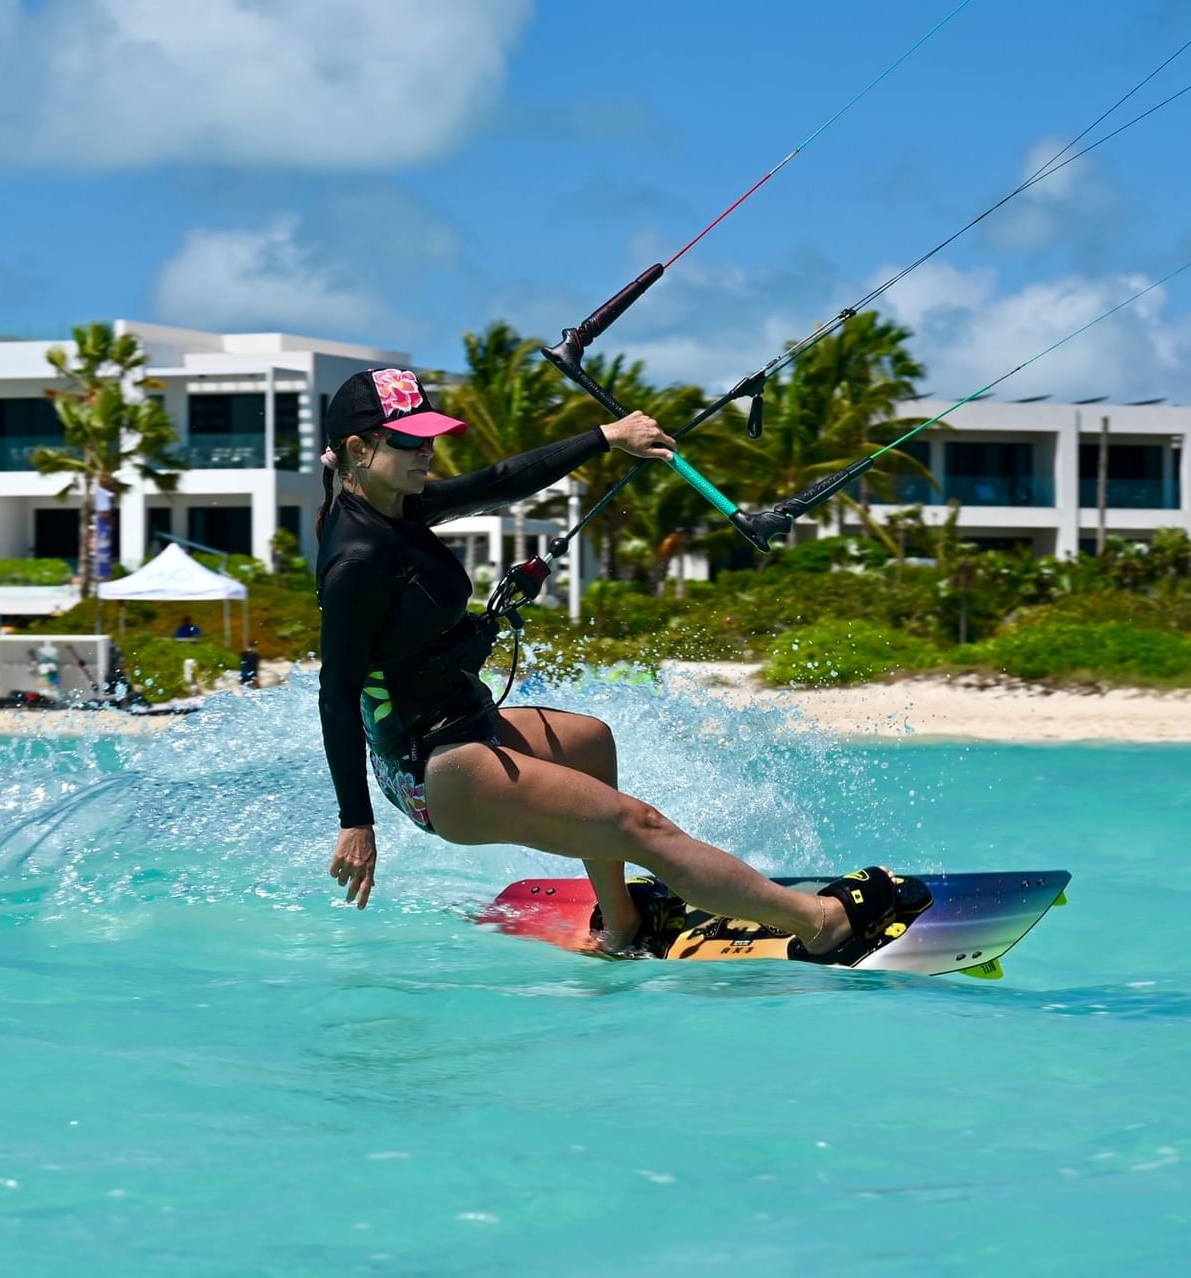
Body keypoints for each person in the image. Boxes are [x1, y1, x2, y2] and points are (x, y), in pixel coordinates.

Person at [314, 367, 903, 961]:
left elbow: (500, 481)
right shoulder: (357, 558)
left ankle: (619, 921)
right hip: (433, 769)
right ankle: (818, 923)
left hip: (456, 725)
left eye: (432, 437)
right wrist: (356, 823)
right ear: (360, 451)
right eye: (411, 441)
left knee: (592, 742)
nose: (428, 453)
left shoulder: (401, 508)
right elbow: (335, 695)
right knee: (640, 826)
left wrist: (606, 437)